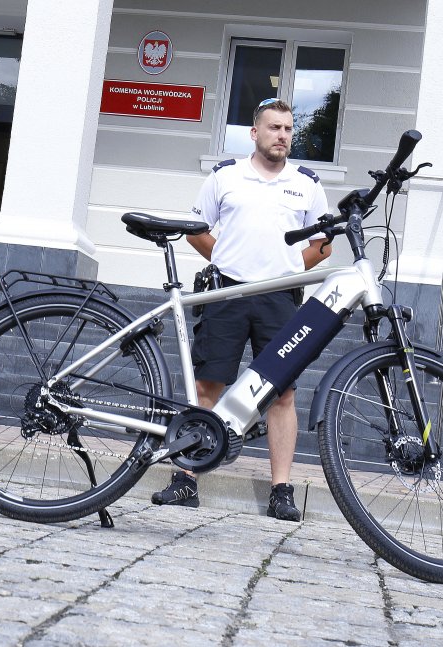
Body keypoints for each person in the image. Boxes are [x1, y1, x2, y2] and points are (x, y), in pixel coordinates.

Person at [151, 98, 331, 520]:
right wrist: (228, 261)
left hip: (280, 300)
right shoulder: (225, 176)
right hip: (226, 295)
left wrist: (283, 273)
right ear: (255, 133)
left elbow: (323, 245)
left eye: (288, 129)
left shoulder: (307, 184)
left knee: (282, 394)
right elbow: (197, 229)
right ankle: (186, 479)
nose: (282, 136)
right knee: (208, 387)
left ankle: (281, 491)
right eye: (274, 128)